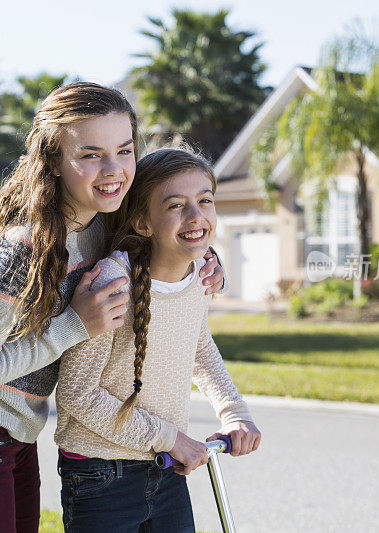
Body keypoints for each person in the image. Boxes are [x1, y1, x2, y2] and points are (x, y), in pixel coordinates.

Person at [0, 83, 225, 533]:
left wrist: (206, 257)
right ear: (53, 160)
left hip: (17, 434)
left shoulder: (101, 221)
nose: (114, 169)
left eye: (124, 150)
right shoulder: (25, 245)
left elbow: (162, 234)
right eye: (91, 154)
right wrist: (73, 326)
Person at [54, 147, 261, 533]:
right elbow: (77, 394)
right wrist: (170, 439)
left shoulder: (199, 273)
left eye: (205, 201)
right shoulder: (111, 284)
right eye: (175, 206)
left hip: (166, 467)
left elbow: (200, 350)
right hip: (102, 472)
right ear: (143, 223)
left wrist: (234, 412)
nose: (196, 216)